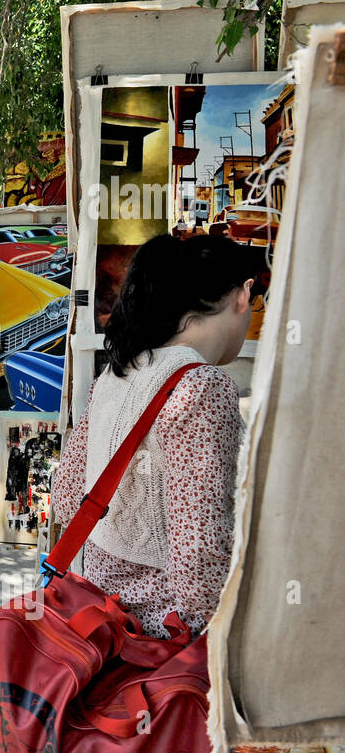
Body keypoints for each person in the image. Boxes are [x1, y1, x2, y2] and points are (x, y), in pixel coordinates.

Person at [52, 235, 261, 640]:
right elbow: (200, 560)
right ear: (243, 294)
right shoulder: (202, 386)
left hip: (101, 625)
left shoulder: (117, 374)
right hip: (162, 644)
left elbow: (66, 500)